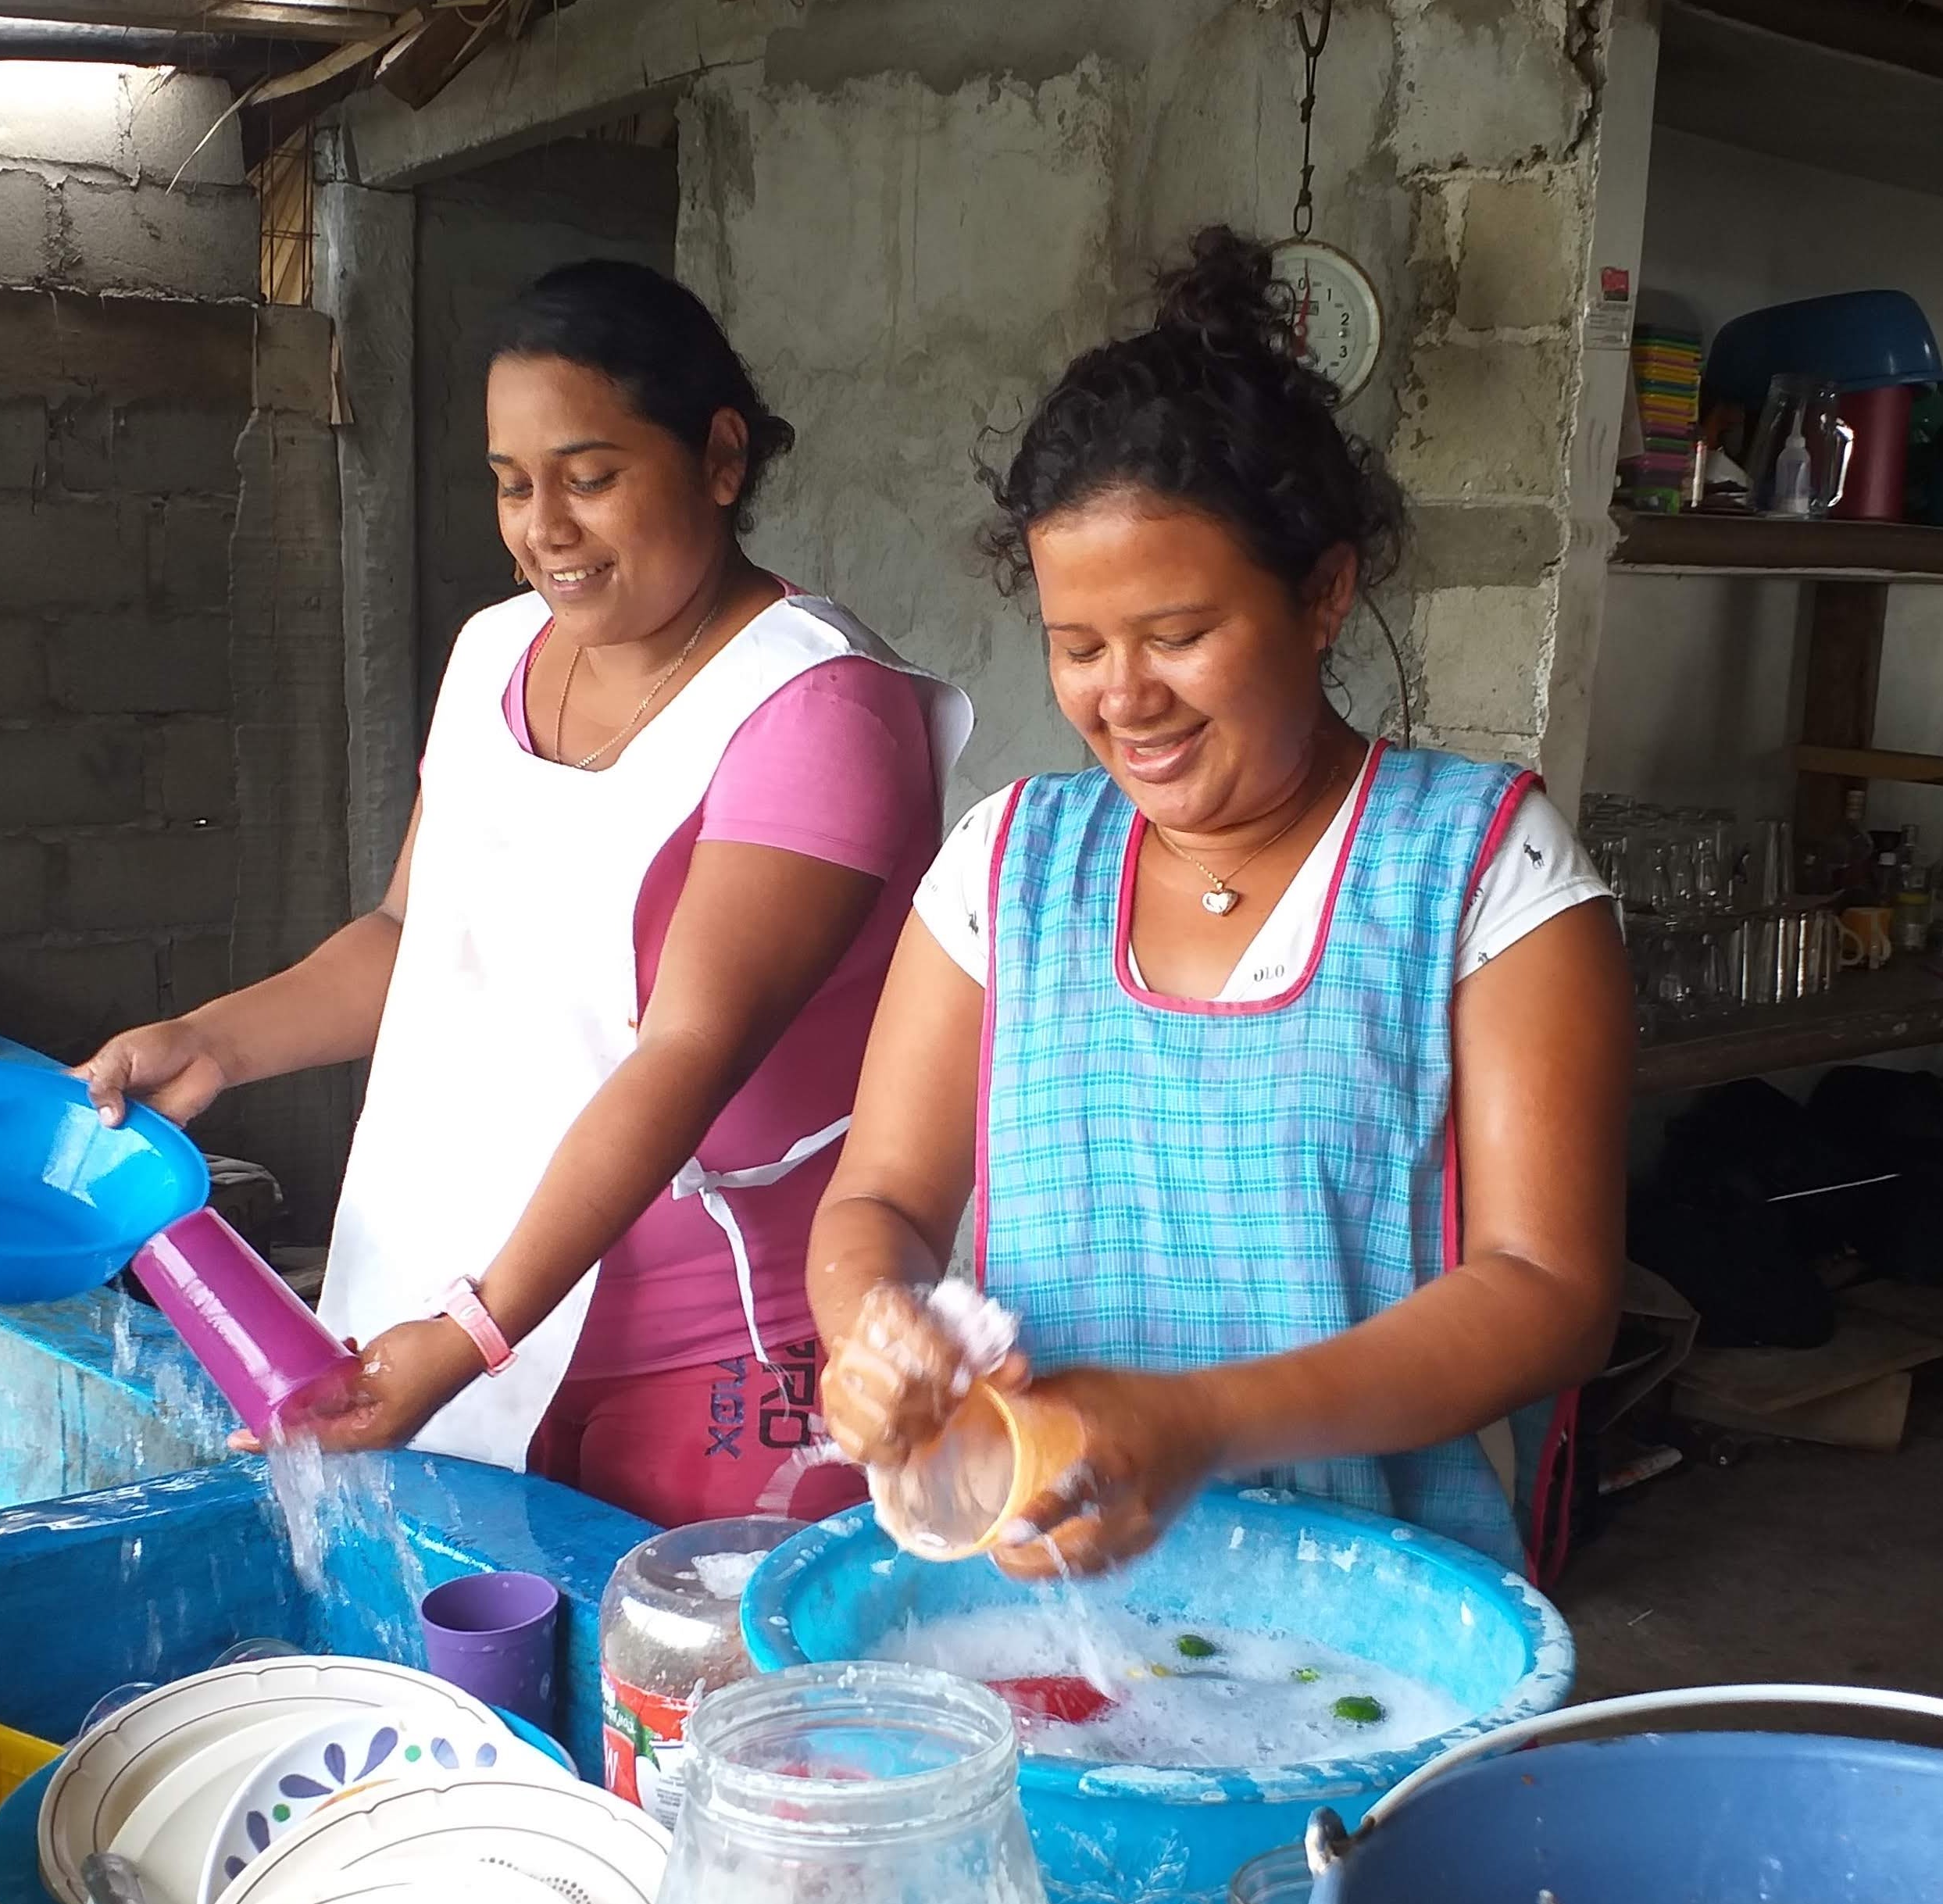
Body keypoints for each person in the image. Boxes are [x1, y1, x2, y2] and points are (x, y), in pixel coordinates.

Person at [809, 227, 1632, 1581]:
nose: (1122, 697)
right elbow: (883, 1198)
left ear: (1324, 593)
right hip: (1046, 1585)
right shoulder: (1006, 864)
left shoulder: (1483, 869)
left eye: (1179, 637)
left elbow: (1549, 1295)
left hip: (1379, 1604)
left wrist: (1198, 1423)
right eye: (1077, 647)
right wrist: (873, 1330)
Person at [88, 259, 967, 1520]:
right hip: (461, 1290)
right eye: (512, 485)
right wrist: (212, 1044)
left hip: (710, 1351)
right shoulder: (494, 650)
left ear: (721, 456)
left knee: (681, 1694)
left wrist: (473, 1333)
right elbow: (411, 936)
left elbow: (688, 1048)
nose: (544, 525)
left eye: (590, 476)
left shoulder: (815, 708)